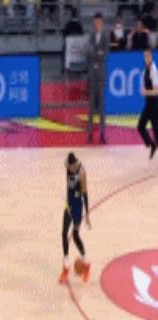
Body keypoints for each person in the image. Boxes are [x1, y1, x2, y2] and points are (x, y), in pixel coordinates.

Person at [59, 153, 91, 284]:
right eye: (69, 166)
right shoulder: (67, 165)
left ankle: (86, 263)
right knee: (63, 233)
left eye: (71, 167)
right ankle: (66, 266)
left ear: (75, 164)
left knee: (75, 235)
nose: (70, 169)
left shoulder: (82, 172)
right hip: (69, 205)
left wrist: (87, 214)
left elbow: (85, 193)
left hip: (78, 206)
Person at [86, 13, 109, 145]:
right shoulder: (90, 36)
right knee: (90, 104)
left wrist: (96, 53)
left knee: (102, 104)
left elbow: (104, 54)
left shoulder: (105, 37)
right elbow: (88, 53)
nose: (96, 24)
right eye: (95, 22)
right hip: (92, 74)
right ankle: (89, 133)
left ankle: (102, 133)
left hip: (101, 73)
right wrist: (96, 53)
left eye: (98, 22)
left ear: (102, 23)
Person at [138, 48, 158, 160]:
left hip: (154, 105)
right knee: (143, 127)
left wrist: (146, 92)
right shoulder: (146, 69)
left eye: (147, 56)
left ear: (151, 57)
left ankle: (152, 144)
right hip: (149, 104)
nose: (146, 58)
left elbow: (156, 91)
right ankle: (151, 144)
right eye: (144, 56)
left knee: (145, 127)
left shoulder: (154, 70)